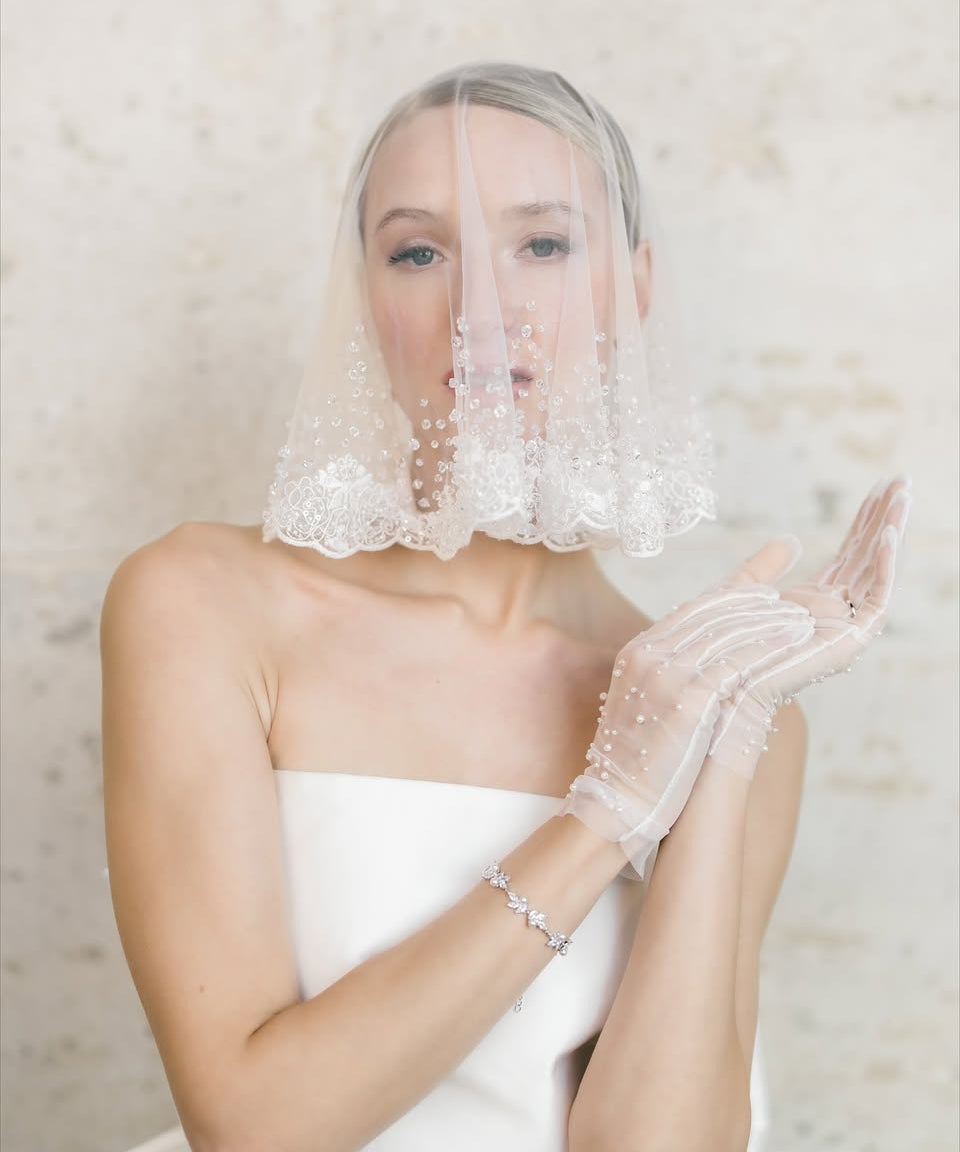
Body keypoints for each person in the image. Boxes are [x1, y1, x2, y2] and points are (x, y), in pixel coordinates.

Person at [101, 63, 911, 1152]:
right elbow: (253, 1128)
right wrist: (607, 811)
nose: (481, 311)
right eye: (419, 252)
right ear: (367, 299)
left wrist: (715, 747)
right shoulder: (204, 607)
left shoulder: (723, 706)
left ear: (636, 286)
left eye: (543, 245)